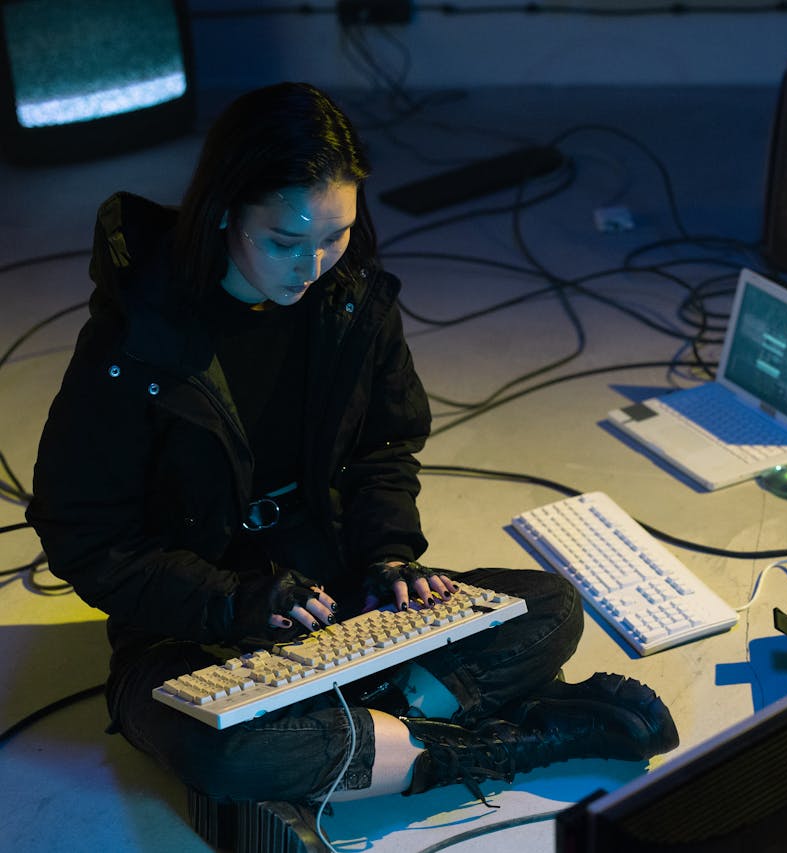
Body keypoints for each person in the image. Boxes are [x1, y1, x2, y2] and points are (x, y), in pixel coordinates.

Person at [25, 82, 678, 811]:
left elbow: (384, 448)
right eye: (284, 240)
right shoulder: (133, 342)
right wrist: (229, 602)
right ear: (222, 212)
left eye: (335, 235)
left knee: (551, 606)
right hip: (194, 630)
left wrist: (386, 556)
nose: (313, 265)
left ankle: (371, 732)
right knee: (225, 752)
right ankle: (493, 737)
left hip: (336, 602)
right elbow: (89, 537)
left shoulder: (350, 302)